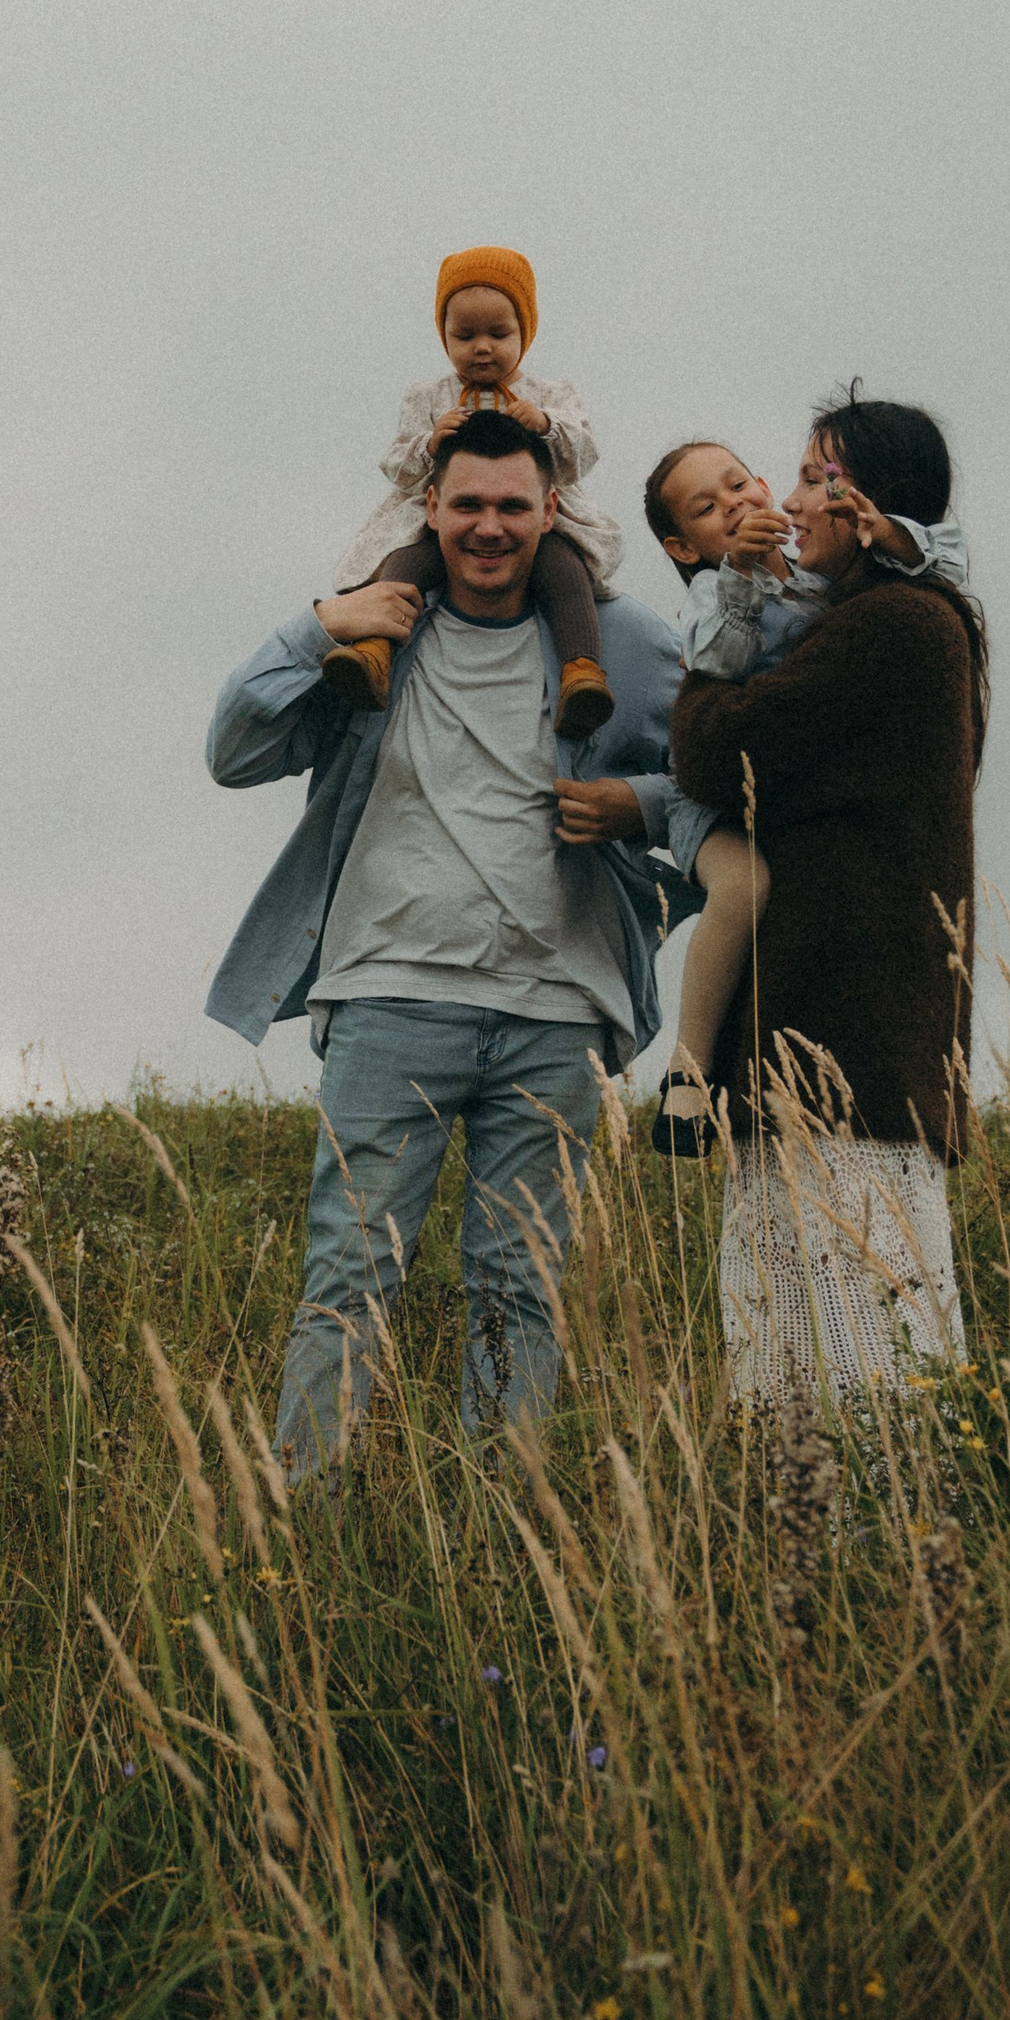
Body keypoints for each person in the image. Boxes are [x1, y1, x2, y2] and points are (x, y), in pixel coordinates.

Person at [206, 409, 689, 1476]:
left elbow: (724, 791)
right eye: (465, 504)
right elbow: (231, 752)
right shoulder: (378, 632)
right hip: (386, 999)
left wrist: (635, 809)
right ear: (428, 509)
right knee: (347, 1275)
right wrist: (317, 622)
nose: (487, 526)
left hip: (557, 1014)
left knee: (521, 1286)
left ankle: (500, 1545)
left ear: (550, 512)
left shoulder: (625, 642)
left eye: (512, 505)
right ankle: (307, 1542)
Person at [666, 397, 986, 1407]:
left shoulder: (893, 624)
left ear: (866, 502)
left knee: (847, 1354)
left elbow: (713, 750)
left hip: (846, 1051)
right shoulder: (885, 619)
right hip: (839, 1041)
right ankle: (830, 1551)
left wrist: (701, 672)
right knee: (828, 1345)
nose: (788, 496)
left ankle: (863, 1554)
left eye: (813, 477)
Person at [639, 436, 970, 1156]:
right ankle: (687, 1070)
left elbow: (945, 561)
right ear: (683, 544)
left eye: (737, 484)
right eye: (706, 506)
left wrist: (885, 532)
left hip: (773, 803)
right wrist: (739, 577)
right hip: (710, 808)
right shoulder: (712, 594)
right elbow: (717, 670)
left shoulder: (833, 585)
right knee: (744, 889)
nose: (734, 504)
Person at [322, 243, 627, 740]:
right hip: (437, 515)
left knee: (564, 568)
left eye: (498, 333)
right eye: (465, 335)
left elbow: (583, 456)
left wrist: (548, 425)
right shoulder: (428, 398)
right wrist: (429, 443)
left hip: (536, 518)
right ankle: (373, 654)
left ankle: (581, 673)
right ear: (444, 337)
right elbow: (395, 466)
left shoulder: (551, 394)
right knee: (407, 561)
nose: (482, 347)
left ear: (524, 332)